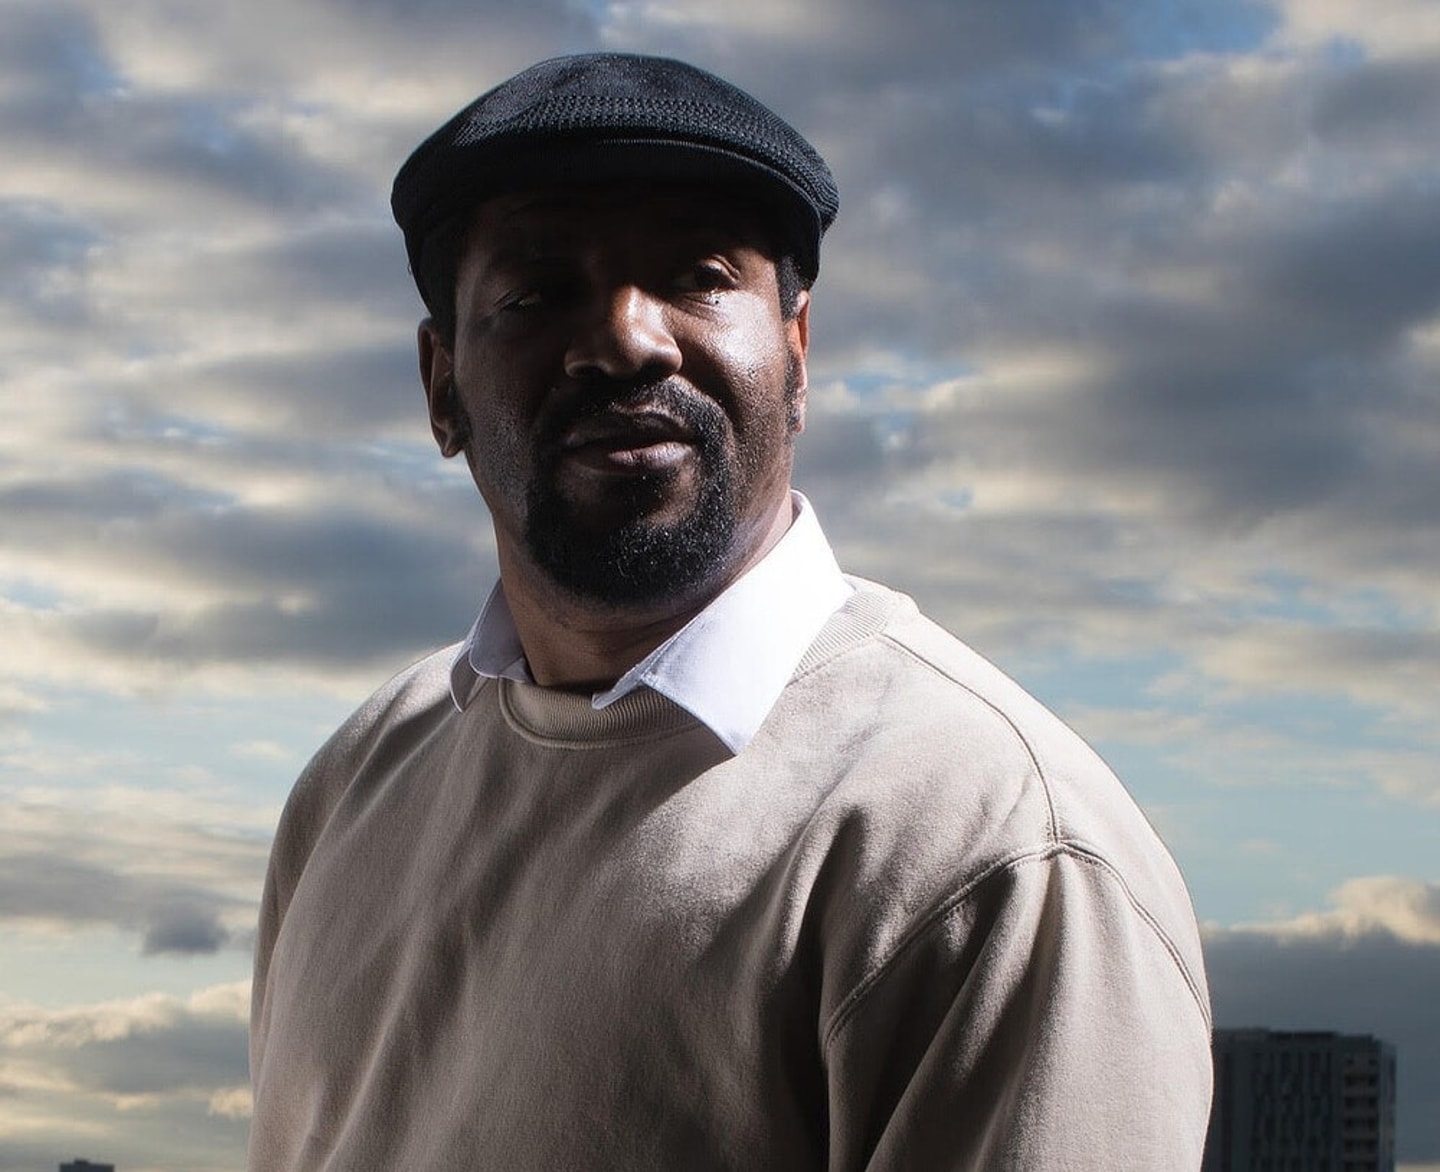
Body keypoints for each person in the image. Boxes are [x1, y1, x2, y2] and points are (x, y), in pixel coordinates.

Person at [248, 53, 1213, 1171]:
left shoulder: (990, 846)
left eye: (699, 274)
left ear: (797, 355)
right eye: (535, 291)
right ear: (442, 388)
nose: (625, 337)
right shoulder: (357, 782)